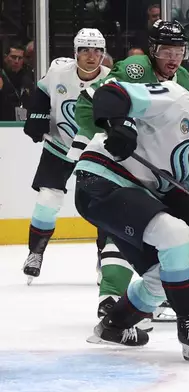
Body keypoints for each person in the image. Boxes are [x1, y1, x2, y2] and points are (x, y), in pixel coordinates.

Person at [75, 67, 189, 361]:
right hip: (100, 180)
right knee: (175, 234)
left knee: (160, 279)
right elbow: (112, 93)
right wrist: (120, 125)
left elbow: (183, 198)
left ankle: (113, 326)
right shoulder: (174, 98)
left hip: (135, 198)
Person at [70, 20, 189, 324]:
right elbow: (90, 102)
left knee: (144, 228)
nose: (173, 57)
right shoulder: (136, 68)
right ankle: (111, 296)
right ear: (153, 50)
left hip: (144, 162)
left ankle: (127, 294)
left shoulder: (186, 80)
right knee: (125, 226)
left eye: (179, 50)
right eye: (166, 50)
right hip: (112, 155)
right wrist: (112, 127)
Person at [21, 28, 110, 284]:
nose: (91, 56)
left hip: (96, 151)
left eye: (97, 51)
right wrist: (36, 117)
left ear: (103, 54)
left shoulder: (110, 80)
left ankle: (106, 258)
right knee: (48, 198)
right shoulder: (58, 72)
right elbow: (41, 95)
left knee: (105, 206)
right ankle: (35, 252)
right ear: (75, 53)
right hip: (58, 146)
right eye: (85, 50)